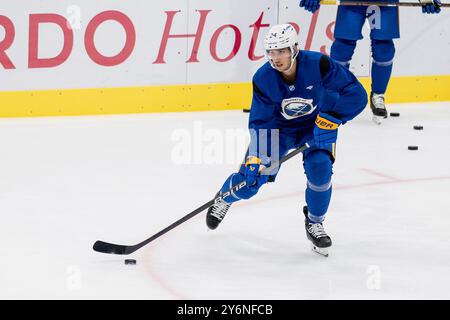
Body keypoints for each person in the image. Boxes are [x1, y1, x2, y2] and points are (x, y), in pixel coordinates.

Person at [205, 24, 367, 256]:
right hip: (279, 131)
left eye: (281, 51)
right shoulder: (263, 78)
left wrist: (332, 118)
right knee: (250, 182)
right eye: (271, 52)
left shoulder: (319, 65)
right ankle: (223, 198)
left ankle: (315, 222)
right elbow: (261, 120)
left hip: (316, 127)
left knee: (320, 168)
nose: (276, 58)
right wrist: (256, 157)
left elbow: (356, 93)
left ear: (295, 49)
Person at [299, 0, 442, 124]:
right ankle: (335, 94)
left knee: (383, 48)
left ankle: (378, 95)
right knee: (342, 48)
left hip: (383, 2)